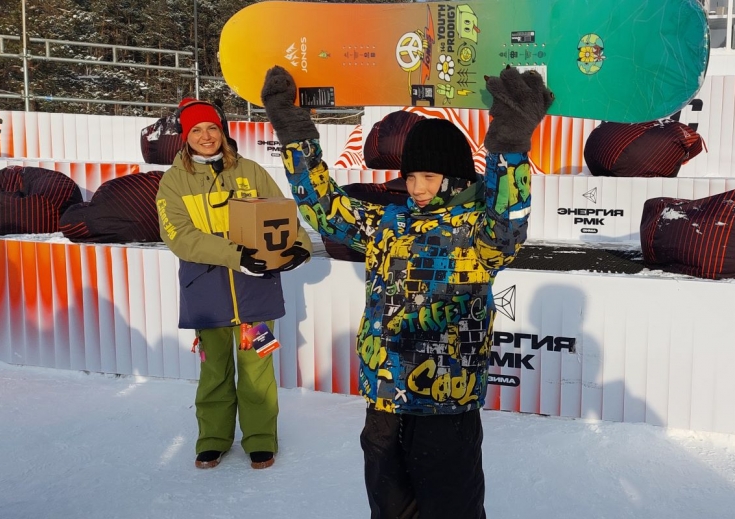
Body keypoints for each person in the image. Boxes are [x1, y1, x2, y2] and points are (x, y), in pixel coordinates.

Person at [262, 66, 553, 517]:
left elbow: (509, 216)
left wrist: (509, 147)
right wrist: (294, 131)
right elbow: (322, 208)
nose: (417, 188)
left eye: (430, 178)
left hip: (446, 408)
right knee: (389, 509)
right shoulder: (387, 223)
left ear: (455, 179)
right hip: (384, 399)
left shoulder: (480, 231)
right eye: (412, 176)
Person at [155, 98, 312, 469]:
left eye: (211, 128)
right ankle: (213, 438)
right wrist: (234, 255)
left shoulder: (251, 171)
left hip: (255, 291)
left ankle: (260, 439)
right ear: (185, 136)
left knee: (257, 368)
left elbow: (280, 212)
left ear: (222, 130)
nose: (206, 136)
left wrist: (299, 246)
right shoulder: (173, 182)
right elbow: (178, 235)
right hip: (206, 294)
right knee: (215, 370)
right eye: (196, 130)